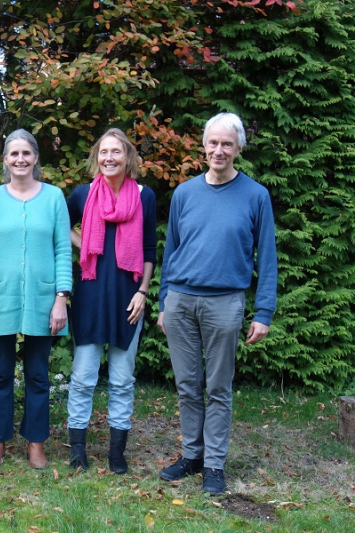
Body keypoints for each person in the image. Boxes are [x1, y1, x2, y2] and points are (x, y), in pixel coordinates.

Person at [157, 112, 278, 495]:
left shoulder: (256, 195)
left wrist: (264, 312)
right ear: (204, 146)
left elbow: (268, 256)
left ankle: (214, 464)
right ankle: (192, 456)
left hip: (225, 303)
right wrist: (163, 301)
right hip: (180, 301)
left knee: (218, 388)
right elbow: (171, 250)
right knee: (188, 385)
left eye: (227, 143)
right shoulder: (185, 193)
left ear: (239, 148)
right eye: (213, 143)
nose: (219, 150)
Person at [0, 129, 72, 469]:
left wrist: (61, 298)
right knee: (0, 374)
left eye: (26, 153)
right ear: (5, 159)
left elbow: (62, 250)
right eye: (13, 154)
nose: (20, 159)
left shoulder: (54, 197)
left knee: (38, 375)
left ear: (35, 158)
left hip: (44, 299)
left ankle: (36, 444)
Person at [65, 129, 156, 474]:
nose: (109, 158)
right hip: (90, 295)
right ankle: (78, 451)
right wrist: (83, 244)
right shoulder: (82, 195)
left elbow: (149, 249)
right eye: (103, 152)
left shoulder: (144, 197)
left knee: (121, 379)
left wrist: (143, 292)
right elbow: (59, 224)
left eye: (116, 152)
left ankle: (117, 452)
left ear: (128, 157)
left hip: (127, 299)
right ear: (96, 157)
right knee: (83, 376)